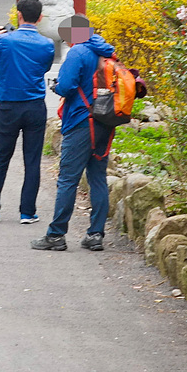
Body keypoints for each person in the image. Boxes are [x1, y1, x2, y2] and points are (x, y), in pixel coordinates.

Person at [33, 16, 119, 252]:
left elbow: (67, 86)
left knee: (68, 179)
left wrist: (56, 86)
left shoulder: (78, 52)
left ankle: (56, 235)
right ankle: (95, 235)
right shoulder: (106, 52)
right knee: (98, 178)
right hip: (105, 120)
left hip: (81, 121)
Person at [0, 0, 55, 224]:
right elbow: (44, 67)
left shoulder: (5, 41)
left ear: (19, 15)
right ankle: (27, 212)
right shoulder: (47, 44)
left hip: (9, 105)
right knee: (32, 159)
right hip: (35, 104)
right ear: (40, 18)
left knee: (0, 157)